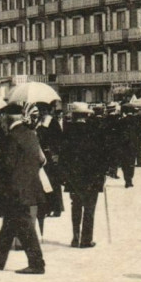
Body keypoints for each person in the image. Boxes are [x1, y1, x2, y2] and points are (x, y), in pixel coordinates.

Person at [0, 103, 46, 274]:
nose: (1, 120)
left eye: (2, 117)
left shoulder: (12, 136)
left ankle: (37, 264)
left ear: (7, 118)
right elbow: (39, 159)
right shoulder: (30, 133)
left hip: (16, 189)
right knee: (8, 226)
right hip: (28, 186)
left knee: (25, 228)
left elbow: (8, 164)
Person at [61, 102, 108, 248]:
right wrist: (102, 174)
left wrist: (64, 175)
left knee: (76, 206)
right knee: (89, 208)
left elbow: (63, 157)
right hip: (92, 177)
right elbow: (102, 156)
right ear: (87, 115)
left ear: (74, 116)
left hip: (74, 177)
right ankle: (86, 239)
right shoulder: (95, 130)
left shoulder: (67, 132)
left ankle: (75, 238)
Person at [35, 103, 65, 233]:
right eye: (40, 110)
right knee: (43, 182)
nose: (42, 113)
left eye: (43, 110)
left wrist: (55, 152)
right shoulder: (38, 122)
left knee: (53, 181)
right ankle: (47, 207)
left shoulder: (52, 122)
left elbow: (58, 139)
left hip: (50, 154)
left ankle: (57, 207)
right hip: (41, 154)